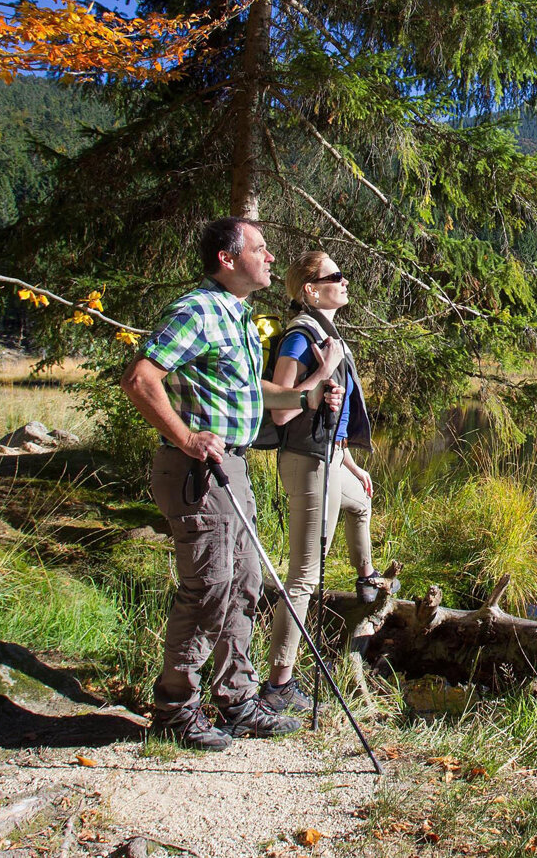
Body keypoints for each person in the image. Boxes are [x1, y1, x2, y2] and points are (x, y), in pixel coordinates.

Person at [120, 218, 344, 751]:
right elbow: (139, 379)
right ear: (227, 258)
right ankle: (175, 707)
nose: (271, 259)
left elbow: (257, 393)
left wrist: (310, 394)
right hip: (201, 469)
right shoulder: (196, 311)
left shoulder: (237, 316)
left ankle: (238, 697)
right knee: (209, 587)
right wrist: (186, 437)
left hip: (234, 467)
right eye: (261, 250)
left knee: (242, 583)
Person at [259, 250, 396, 716]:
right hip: (307, 463)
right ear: (311, 290)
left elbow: (329, 413)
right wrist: (320, 375)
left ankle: (366, 580)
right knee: (303, 578)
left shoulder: (328, 334)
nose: (345, 281)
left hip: (330, 459)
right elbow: (281, 409)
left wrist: (352, 463)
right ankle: (278, 682)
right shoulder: (301, 338)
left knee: (361, 502)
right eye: (336, 276)